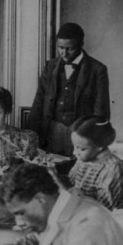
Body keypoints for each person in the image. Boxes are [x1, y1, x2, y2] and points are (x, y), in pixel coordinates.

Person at [27, 22, 110, 156]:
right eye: (60, 48)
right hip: (52, 131)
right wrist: (31, 134)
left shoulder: (97, 69)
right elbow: (39, 101)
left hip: (81, 134)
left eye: (69, 48)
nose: (64, 53)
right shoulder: (50, 66)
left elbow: (101, 109)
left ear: (81, 45)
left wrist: (93, 137)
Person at [60, 115, 123, 210]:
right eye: (74, 147)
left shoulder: (112, 169)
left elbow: (104, 209)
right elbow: (71, 184)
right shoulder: (83, 160)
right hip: (84, 212)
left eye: (81, 149)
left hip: (107, 219)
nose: (74, 152)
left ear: (99, 146)